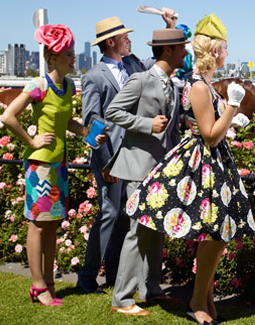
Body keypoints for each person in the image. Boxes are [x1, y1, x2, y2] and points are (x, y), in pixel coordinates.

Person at [122, 14, 255, 324]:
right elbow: (208, 134)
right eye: (224, 47)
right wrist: (233, 107)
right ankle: (198, 300)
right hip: (204, 163)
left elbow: (214, 129)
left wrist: (231, 121)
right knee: (212, 234)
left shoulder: (205, 83)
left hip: (215, 161)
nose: (227, 52)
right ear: (213, 49)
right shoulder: (198, 85)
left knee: (217, 235)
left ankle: (205, 298)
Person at [0, 24, 107, 306]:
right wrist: (31, 140)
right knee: (37, 225)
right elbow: (8, 116)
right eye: (70, 55)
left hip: (59, 164)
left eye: (73, 54)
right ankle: (37, 286)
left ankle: (47, 283)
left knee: (52, 224)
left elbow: (67, 122)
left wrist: (88, 132)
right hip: (40, 166)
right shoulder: (39, 85)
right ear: (53, 57)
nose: (75, 59)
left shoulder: (68, 85)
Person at [77, 10, 176, 295]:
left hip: (134, 156)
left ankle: (114, 275)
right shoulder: (93, 77)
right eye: (124, 36)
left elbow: (160, 62)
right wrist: (105, 162)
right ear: (110, 43)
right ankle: (86, 278)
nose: (129, 39)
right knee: (109, 214)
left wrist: (167, 27)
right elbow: (92, 124)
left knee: (126, 215)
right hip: (109, 158)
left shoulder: (135, 65)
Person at [105, 28, 187, 316]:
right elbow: (112, 112)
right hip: (139, 166)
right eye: (181, 49)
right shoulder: (140, 80)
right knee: (138, 232)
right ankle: (123, 299)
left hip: (163, 169)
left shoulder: (174, 86)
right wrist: (146, 123)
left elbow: (175, 130)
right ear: (168, 51)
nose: (185, 53)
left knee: (157, 231)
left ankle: (151, 289)